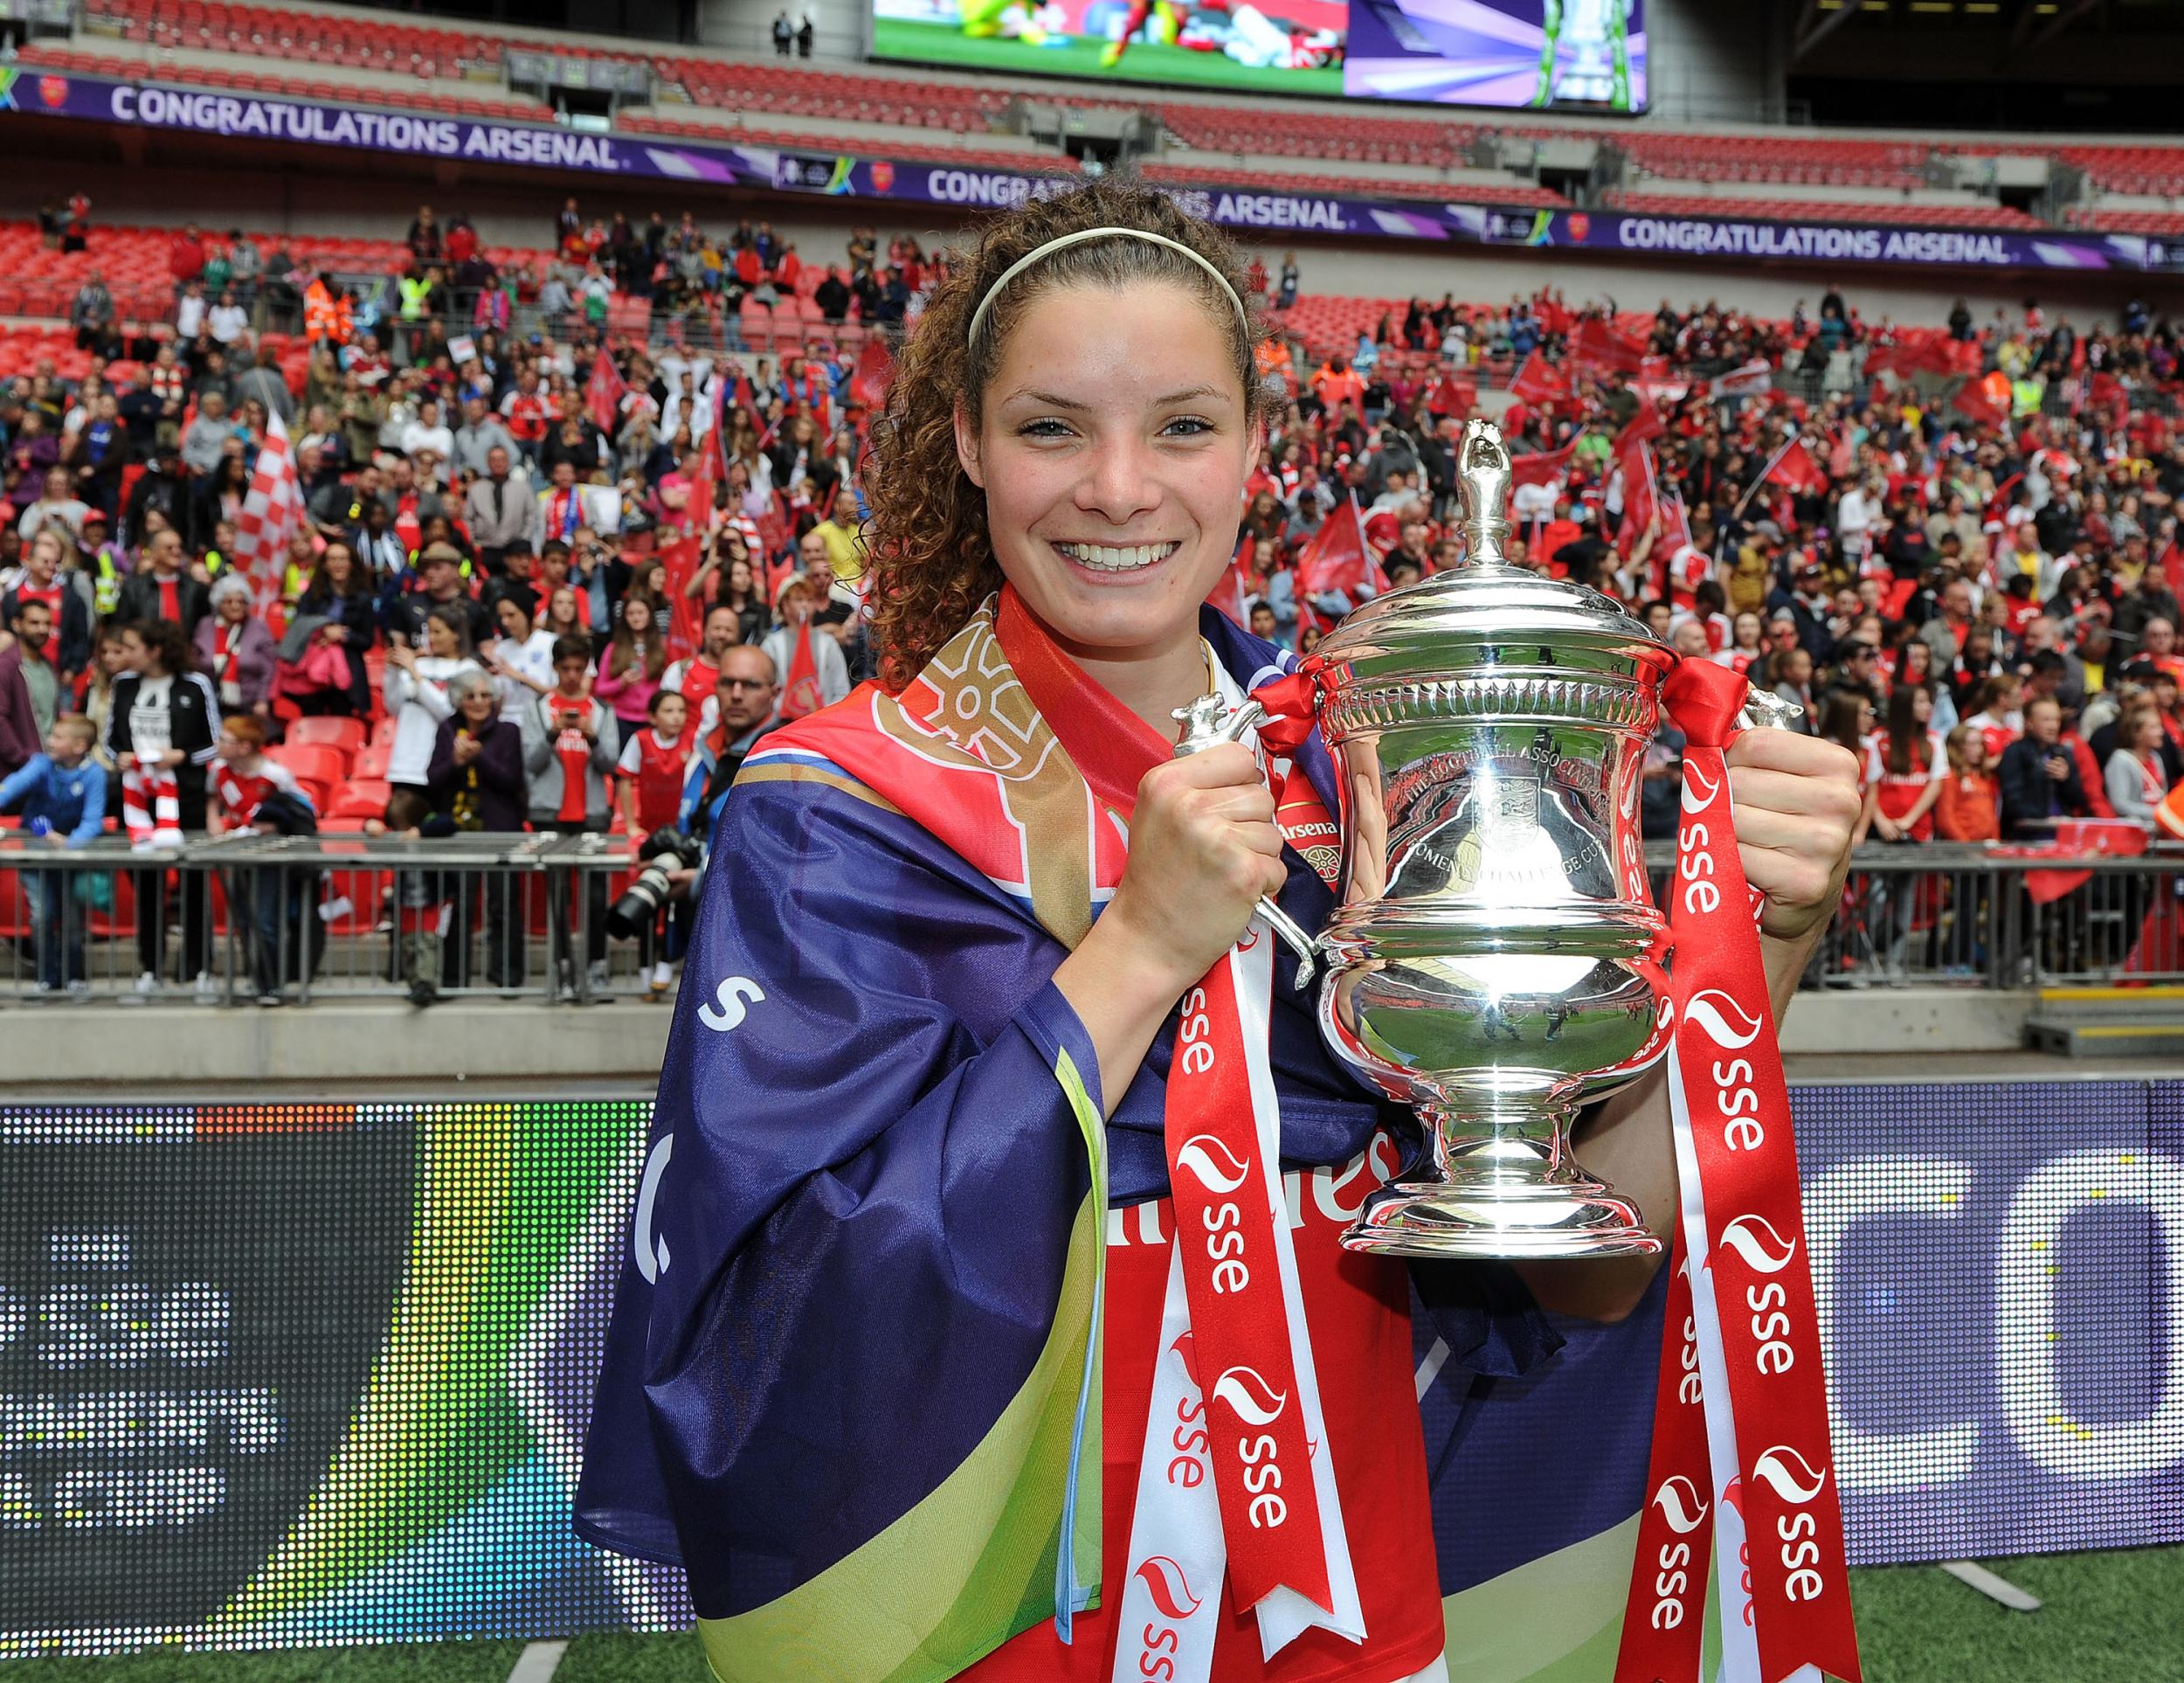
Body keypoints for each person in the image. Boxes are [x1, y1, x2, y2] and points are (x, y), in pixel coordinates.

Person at [576, 182, 1863, 1680]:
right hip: (1009, 1615)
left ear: (1257, 449)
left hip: (1353, 1599)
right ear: (971, 449)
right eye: (1053, 428)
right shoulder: (836, 813)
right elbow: (773, 1345)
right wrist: (1132, 954)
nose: (1120, 489)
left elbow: (1584, 1267)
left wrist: (1754, 946)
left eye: (1182, 426)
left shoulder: (1381, 781)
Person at [107, 618, 219, 1000]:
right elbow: (109, 741)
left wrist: (181, 756)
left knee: (193, 884)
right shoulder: (122, 685)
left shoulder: (195, 685)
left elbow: (213, 744)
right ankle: (150, 967)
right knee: (147, 888)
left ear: (154, 650)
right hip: (137, 802)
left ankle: (199, 966)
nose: (124, 655)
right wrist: (121, 758)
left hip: (183, 799)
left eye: (131, 648)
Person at [522, 635, 620, 1001]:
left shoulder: (602, 710)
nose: (572, 676)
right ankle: (563, 968)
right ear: (555, 668)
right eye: (566, 669)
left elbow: (612, 764)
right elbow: (530, 763)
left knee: (595, 898)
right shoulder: (538, 708)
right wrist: (553, 731)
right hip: (550, 814)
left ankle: (595, 966)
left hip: (592, 814)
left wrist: (592, 737)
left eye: (579, 669)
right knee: (558, 898)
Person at [422, 668, 529, 1001]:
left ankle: (507, 978)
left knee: (504, 906)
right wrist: (455, 760)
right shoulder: (447, 729)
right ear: (459, 700)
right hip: (458, 834)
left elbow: (511, 781)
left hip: (499, 830)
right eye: (471, 696)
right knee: (459, 907)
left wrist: (479, 758)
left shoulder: (508, 731)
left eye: (485, 695)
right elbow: (432, 779)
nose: (480, 702)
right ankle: (454, 979)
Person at [208, 713, 321, 1005]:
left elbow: (300, 810)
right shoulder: (218, 770)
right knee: (244, 921)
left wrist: (276, 825)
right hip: (236, 855)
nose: (218, 744)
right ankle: (255, 978)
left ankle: (272, 984)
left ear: (245, 747)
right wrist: (215, 825)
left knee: (266, 920)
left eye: (225, 740)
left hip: (270, 859)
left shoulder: (275, 775)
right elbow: (213, 801)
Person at [0, 713, 107, 994]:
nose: (49, 741)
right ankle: (46, 977)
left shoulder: (94, 774)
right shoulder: (40, 765)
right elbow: (9, 789)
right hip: (36, 855)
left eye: (58, 737)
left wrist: (70, 843)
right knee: (42, 915)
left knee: (71, 918)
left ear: (79, 745)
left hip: (72, 856)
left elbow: (93, 821)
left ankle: (74, 976)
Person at [616, 687, 694, 997]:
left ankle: (665, 965)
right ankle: (644, 970)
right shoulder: (640, 741)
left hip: (681, 837)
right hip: (650, 835)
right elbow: (624, 778)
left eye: (681, 711)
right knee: (646, 901)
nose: (676, 717)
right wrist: (632, 824)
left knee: (674, 901)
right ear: (652, 716)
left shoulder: (693, 742)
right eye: (668, 711)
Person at [382, 604, 481, 827]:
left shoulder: (466, 668)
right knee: (403, 832)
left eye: (438, 632)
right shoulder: (418, 663)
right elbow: (394, 706)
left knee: (436, 832)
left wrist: (416, 676)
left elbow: (449, 712)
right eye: (429, 631)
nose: (431, 638)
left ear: (456, 634)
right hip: (404, 765)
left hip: (439, 765)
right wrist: (392, 671)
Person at [1998, 696, 2091, 839]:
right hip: (2026, 835)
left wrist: (2066, 780)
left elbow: (2079, 799)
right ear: (2029, 723)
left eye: (2056, 720)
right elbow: (2013, 801)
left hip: (2060, 834)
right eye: (2046, 720)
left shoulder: (2063, 753)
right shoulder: (2015, 752)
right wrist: (2042, 818)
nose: (2053, 726)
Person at [193, 573, 277, 722]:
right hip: (210, 705)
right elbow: (195, 661)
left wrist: (262, 700)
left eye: (241, 601)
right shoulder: (205, 626)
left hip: (248, 707)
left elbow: (268, 670)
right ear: (219, 604)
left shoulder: (258, 628)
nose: (236, 606)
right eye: (229, 601)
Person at [0, 595, 59, 776]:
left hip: (47, 767)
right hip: (17, 772)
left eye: (46, 623)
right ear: (17, 624)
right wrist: (23, 757)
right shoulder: (7, 666)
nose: (42, 629)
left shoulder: (48, 666)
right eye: (34, 623)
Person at [2106, 701, 2172, 825]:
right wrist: (2157, 814)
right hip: (2133, 831)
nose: (2161, 732)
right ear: (2137, 734)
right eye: (2154, 727)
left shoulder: (2155, 758)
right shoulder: (2120, 760)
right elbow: (2120, 805)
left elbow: (2162, 795)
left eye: (2160, 726)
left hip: (2158, 830)